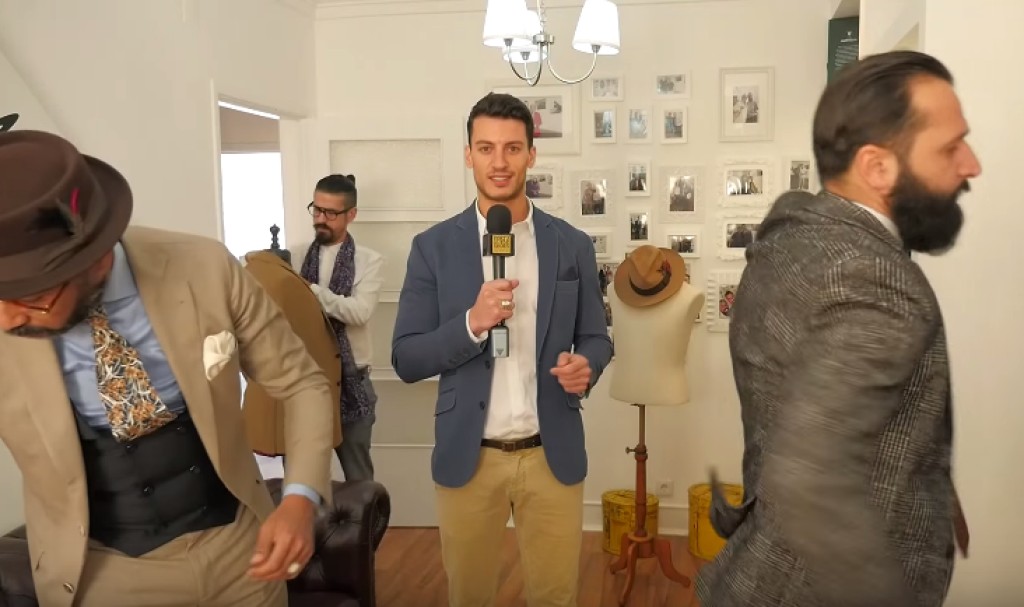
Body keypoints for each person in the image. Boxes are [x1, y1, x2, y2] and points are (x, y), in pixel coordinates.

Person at [0, 130, 337, 607]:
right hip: (101, 574)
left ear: (97, 262)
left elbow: (302, 383)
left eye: (32, 298)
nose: (7, 320)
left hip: (242, 555)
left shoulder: (205, 267)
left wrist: (300, 497)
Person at [696, 50, 980, 607]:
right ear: (877, 168)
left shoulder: (793, 235)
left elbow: (824, 399)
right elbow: (808, 477)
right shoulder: (878, 279)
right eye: (951, 147)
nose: (971, 165)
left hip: (760, 567)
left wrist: (929, 488)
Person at [391, 92, 613, 606]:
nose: (499, 162)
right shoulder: (433, 248)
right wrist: (472, 323)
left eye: (512, 148)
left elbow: (597, 337)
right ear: (467, 154)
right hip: (469, 457)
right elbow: (406, 357)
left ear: (532, 154)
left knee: (556, 598)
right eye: (486, 148)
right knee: (469, 597)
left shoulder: (572, 244)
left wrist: (588, 364)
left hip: (551, 454)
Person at [289, 173, 384, 481]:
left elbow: (359, 312)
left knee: (358, 476)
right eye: (317, 210)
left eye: (330, 213)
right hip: (303, 379)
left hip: (352, 382)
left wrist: (310, 291)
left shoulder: (369, 261)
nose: (320, 219)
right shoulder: (294, 256)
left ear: (351, 214)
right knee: (303, 476)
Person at [241, 248, 343, 458]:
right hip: (295, 393)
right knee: (304, 465)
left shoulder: (252, 274)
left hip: (272, 392)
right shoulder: (284, 282)